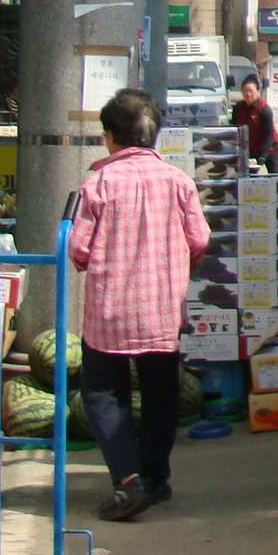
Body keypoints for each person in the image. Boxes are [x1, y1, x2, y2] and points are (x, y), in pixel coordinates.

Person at [68, 87, 210, 522]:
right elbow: (200, 239)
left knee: (102, 392)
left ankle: (129, 480)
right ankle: (156, 477)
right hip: (161, 312)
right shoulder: (179, 181)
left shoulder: (98, 183)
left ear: (110, 136)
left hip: (110, 312)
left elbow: (78, 249)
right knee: (161, 393)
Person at [231, 71, 278, 175]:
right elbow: (234, 129)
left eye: (251, 91)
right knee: (248, 178)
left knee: (276, 178)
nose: (248, 94)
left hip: (270, 148)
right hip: (251, 149)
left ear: (258, 92)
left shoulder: (264, 109)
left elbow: (269, 136)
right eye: (245, 91)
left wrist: (263, 155)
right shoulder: (238, 108)